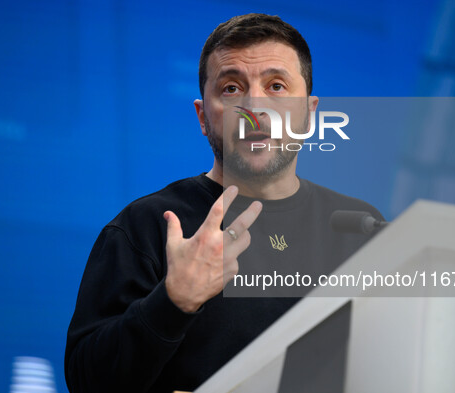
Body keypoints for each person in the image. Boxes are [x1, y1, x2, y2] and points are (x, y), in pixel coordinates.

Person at [65, 13, 383, 393]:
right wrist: (173, 300)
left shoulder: (361, 229)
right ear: (203, 116)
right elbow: (87, 382)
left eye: (277, 86)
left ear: (310, 113)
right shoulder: (148, 227)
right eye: (231, 89)